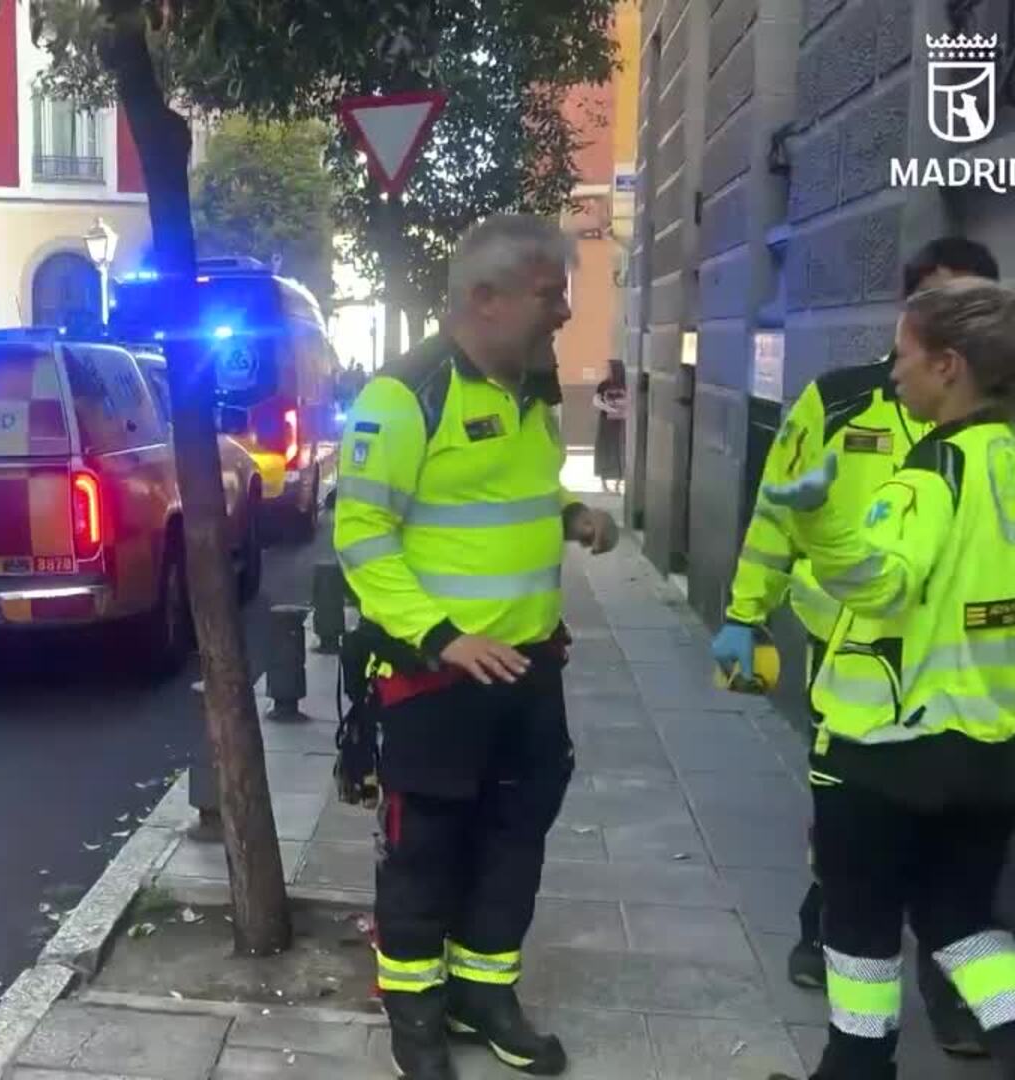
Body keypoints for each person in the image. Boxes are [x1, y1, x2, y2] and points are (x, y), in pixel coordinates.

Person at [335, 214, 619, 1080]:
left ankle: (484, 994)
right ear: (485, 298)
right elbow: (362, 535)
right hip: (434, 679)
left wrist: (569, 515)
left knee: (514, 838)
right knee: (424, 850)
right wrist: (443, 637)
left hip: (529, 669)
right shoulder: (405, 396)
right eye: (550, 294)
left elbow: (509, 494)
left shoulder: (531, 388)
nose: (564, 312)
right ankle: (415, 1013)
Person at [760, 277, 1015, 1080]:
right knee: (966, 924)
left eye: (904, 356)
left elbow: (882, 586)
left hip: (887, 752)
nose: (892, 372)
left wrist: (821, 522)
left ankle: (854, 1071)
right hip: (993, 752)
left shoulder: (931, 472)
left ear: (948, 366)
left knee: (859, 930)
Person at [711, 236, 1002, 1056]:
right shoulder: (841, 403)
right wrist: (745, 614)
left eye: (972, 303)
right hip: (852, 658)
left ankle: (943, 993)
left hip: (969, 674)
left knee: (951, 845)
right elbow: (780, 510)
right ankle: (827, 927)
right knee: (850, 829)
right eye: (939, 303)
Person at [592, 361, 628, 494]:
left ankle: (618, 482)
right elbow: (596, 400)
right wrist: (608, 408)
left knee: (619, 449)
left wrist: (621, 408)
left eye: (608, 368)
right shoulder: (603, 385)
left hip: (621, 422)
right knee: (605, 449)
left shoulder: (625, 384)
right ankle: (604, 482)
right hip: (606, 422)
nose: (606, 370)